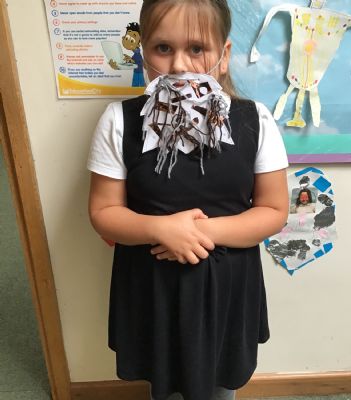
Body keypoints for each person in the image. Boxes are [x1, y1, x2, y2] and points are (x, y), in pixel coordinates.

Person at [87, 1, 289, 399]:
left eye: (196, 49)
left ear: (223, 56)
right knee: (161, 380)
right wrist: (160, 228)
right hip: (154, 288)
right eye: (163, 48)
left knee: (221, 381)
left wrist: (198, 232)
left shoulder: (256, 120)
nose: (179, 65)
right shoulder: (118, 121)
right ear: (144, 53)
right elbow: (103, 212)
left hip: (228, 288)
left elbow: (274, 210)